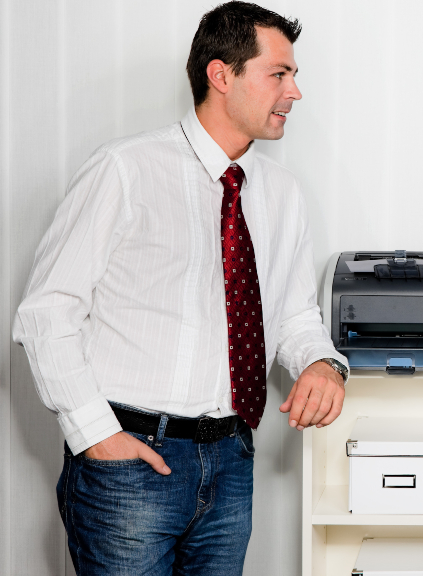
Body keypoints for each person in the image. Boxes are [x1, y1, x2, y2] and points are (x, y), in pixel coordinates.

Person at [12, 2, 350, 573]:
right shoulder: (125, 169)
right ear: (222, 75)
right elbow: (47, 312)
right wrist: (97, 438)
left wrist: (321, 362)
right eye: (279, 74)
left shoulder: (282, 193)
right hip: (129, 461)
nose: (295, 93)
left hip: (231, 459)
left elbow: (292, 315)